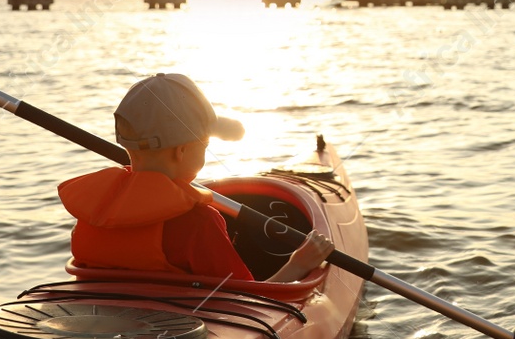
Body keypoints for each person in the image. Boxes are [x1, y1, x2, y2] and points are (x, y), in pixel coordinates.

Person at [59, 73, 333, 283]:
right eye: (204, 144)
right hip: (178, 334)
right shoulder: (199, 221)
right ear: (181, 151)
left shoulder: (94, 212)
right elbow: (249, 298)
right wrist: (298, 264)